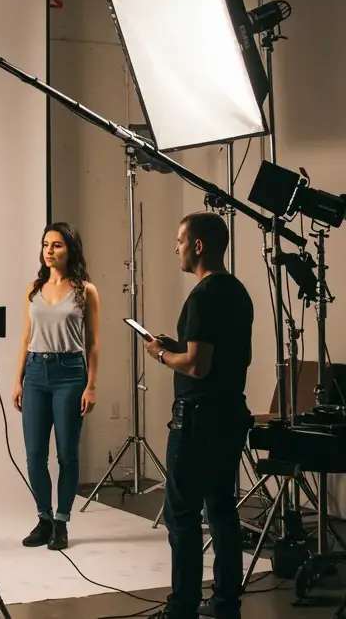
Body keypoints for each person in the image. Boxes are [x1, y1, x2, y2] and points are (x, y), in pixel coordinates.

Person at [144, 211, 254, 619]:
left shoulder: (203, 296)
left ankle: (182, 607)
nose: (176, 248)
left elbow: (196, 365)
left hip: (197, 420)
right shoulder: (237, 292)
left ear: (198, 246)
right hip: (229, 414)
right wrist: (176, 344)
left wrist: (159, 353)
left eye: (179, 241)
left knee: (183, 516)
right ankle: (226, 604)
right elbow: (216, 353)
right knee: (222, 511)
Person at [12, 222, 100, 551]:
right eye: (46, 244)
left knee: (66, 454)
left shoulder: (85, 290)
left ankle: (61, 522)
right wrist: (18, 380)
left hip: (69, 373)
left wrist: (91, 385)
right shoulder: (33, 289)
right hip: (35, 372)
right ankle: (43, 519)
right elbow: (25, 337)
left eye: (57, 245)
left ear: (70, 249)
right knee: (35, 454)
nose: (50, 250)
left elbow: (92, 343)